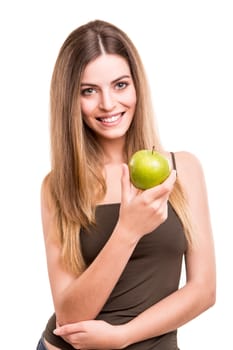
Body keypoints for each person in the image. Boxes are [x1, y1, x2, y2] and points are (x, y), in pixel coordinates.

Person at [36, 19, 216, 350]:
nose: (108, 104)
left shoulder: (182, 169)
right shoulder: (57, 187)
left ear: (137, 87)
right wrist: (127, 230)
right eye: (89, 91)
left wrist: (123, 336)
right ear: (70, 100)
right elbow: (69, 314)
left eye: (120, 85)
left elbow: (203, 290)